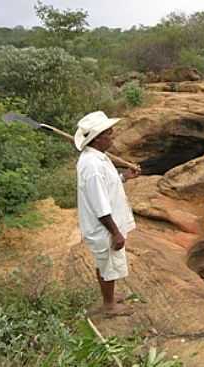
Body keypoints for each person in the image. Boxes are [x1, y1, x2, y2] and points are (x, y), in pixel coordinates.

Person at [74, 111, 140, 316]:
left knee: (108, 262)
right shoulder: (92, 166)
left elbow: (106, 187)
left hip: (109, 223)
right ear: (98, 138)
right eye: (109, 133)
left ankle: (109, 295)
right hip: (103, 227)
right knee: (107, 262)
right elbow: (100, 205)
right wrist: (115, 232)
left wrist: (124, 177)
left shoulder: (98, 158)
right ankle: (109, 305)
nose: (112, 136)